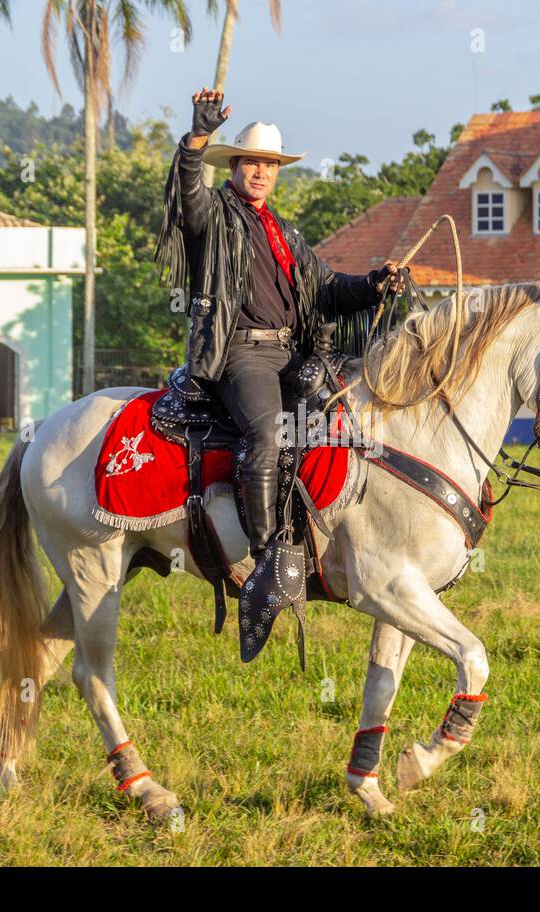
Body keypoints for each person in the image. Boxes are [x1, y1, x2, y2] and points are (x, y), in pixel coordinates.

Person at [155, 87, 404, 660]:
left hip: (291, 352)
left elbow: (327, 290)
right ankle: (267, 558)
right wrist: (196, 139)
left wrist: (373, 283)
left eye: (269, 165)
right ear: (234, 167)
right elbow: (185, 197)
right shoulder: (215, 216)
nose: (261, 173)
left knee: (347, 416)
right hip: (239, 354)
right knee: (268, 432)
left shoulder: (285, 234)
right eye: (251, 163)